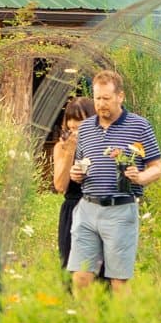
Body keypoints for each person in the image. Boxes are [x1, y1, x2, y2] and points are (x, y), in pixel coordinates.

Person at [67, 66, 161, 294]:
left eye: (106, 98)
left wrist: (140, 177)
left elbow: (157, 168)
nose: (101, 104)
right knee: (80, 277)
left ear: (120, 96)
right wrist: (75, 173)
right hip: (87, 208)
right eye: (97, 98)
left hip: (120, 211)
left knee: (118, 282)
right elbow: (79, 163)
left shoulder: (140, 126)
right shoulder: (87, 128)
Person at [47, 95, 97, 279]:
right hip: (73, 208)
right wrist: (70, 151)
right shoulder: (62, 147)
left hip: (98, 207)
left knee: (100, 271)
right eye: (71, 122)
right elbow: (60, 185)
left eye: (81, 122)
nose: (75, 127)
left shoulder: (102, 145)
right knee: (72, 267)